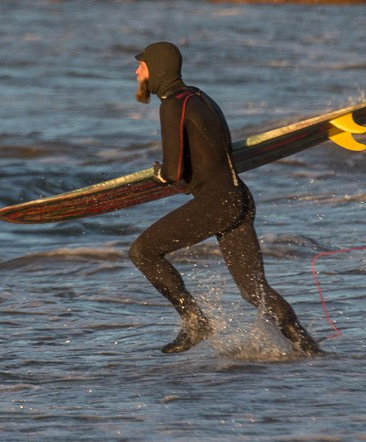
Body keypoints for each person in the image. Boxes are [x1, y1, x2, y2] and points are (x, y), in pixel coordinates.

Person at [129, 41, 321, 356]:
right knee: (254, 291)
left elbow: (174, 170)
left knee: (142, 252)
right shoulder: (200, 97)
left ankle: (195, 320)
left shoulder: (173, 105)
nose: (137, 71)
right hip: (239, 198)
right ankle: (309, 349)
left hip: (217, 203)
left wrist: (160, 176)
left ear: (158, 69)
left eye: (142, 65)